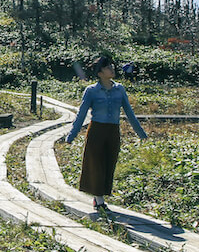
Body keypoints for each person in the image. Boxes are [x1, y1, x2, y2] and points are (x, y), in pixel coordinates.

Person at [62, 55, 147, 213]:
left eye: (112, 67)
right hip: (96, 131)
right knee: (96, 165)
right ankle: (99, 201)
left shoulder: (119, 89)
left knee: (109, 163)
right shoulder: (91, 91)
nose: (111, 69)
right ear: (100, 73)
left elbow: (129, 112)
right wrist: (71, 135)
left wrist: (141, 134)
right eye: (108, 67)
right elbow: (81, 114)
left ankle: (99, 197)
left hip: (112, 131)